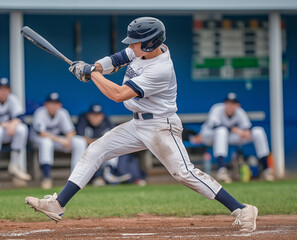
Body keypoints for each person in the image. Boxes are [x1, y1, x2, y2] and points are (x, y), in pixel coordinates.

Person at [25, 17, 258, 232]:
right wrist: (92, 69)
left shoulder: (160, 69)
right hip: (138, 124)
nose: (132, 46)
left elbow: (118, 94)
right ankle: (58, 204)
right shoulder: (143, 51)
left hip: (161, 126)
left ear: (150, 43)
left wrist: (91, 75)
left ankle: (242, 209)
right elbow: (116, 59)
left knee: (184, 173)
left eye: (136, 42)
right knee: (96, 149)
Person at [191, 92, 273, 183]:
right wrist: (236, 130)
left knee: (258, 131)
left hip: (228, 137)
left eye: (233, 103)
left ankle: (266, 170)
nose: (230, 105)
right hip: (209, 136)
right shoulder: (217, 108)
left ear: (238, 105)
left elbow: (247, 128)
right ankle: (221, 171)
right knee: (222, 131)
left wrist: (245, 132)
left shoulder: (240, 112)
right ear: (225, 103)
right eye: (228, 103)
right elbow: (216, 126)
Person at [29, 92, 87, 189]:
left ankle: (76, 178)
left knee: (79, 141)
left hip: (55, 141)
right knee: (46, 142)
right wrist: (61, 140)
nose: (53, 106)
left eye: (55, 104)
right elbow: (41, 133)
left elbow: (71, 131)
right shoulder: (40, 112)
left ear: (59, 105)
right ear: (45, 104)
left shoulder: (62, 112)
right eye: (51, 103)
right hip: (37, 141)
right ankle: (46, 178)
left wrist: (68, 140)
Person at [76, 104, 144, 186]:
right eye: (93, 115)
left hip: (106, 151)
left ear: (102, 115)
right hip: (90, 152)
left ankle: (120, 175)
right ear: (88, 115)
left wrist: (100, 143)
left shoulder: (106, 121)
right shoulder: (83, 120)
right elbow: (82, 138)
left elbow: (114, 139)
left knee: (123, 154)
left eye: (98, 115)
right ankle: (100, 178)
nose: (95, 118)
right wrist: (100, 142)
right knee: (94, 153)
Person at [0, 78, 31, 189]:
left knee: (22, 129)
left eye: (6, 89)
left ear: (9, 91)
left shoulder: (12, 99)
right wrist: (6, 125)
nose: (4, 92)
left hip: (8, 132)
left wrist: (13, 125)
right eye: (1, 89)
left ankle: (14, 164)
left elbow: (20, 117)